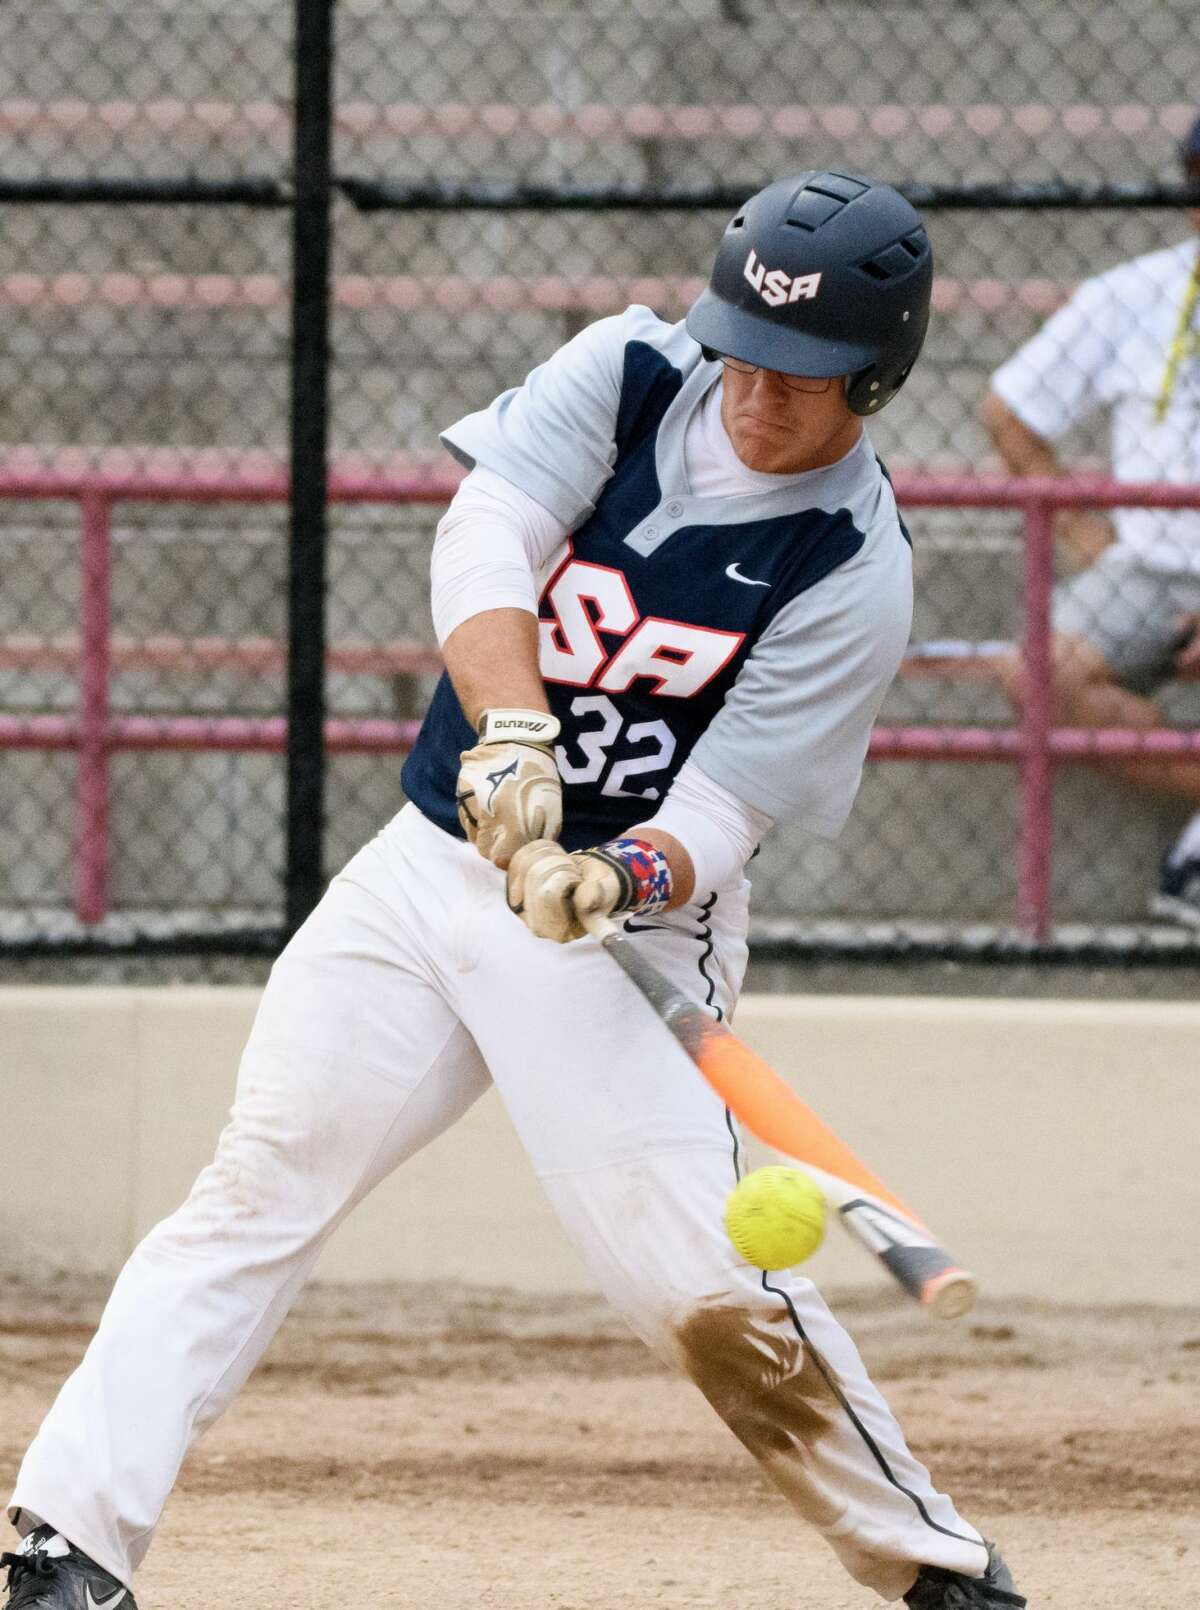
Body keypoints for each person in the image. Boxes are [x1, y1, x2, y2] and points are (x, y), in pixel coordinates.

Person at [3, 173, 1024, 1610]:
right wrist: (515, 736)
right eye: (742, 347)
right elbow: (485, 532)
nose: (754, 391)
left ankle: (940, 1572)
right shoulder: (625, 371)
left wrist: (616, 870)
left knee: (706, 1291)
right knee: (254, 1188)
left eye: (799, 376)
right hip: (425, 871)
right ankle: (67, 1541)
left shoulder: (852, 564)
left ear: (874, 377)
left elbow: (722, 813)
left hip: (623, 934)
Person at [983, 114, 1200, 927]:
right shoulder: (1135, 293)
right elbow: (1009, 410)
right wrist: (1091, 542)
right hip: (1151, 564)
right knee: (1037, 670)